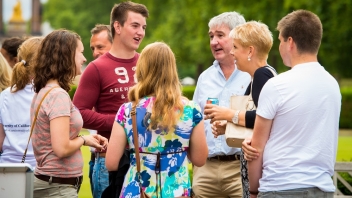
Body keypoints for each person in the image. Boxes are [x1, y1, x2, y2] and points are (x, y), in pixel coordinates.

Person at [246, 10, 341, 198]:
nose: (279, 46)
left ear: (290, 42)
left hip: (280, 186)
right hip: (322, 188)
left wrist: (254, 190)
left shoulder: (277, 85)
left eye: (280, 40)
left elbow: (256, 149)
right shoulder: (332, 85)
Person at [105, 41, 208, 197]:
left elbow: (111, 163)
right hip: (176, 191)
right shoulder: (190, 110)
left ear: (142, 69)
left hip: (138, 192)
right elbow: (200, 159)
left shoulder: (127, 111)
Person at [72, 2, 149, 197]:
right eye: (135, 25)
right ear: (117, 26)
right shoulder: (96, 68)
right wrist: (120, 122)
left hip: (146, 161)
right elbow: (77, 112)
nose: (140, 32)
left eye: (143, 27)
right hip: (109, 163)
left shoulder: (147, 63)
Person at [31, 29, 108, 197]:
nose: (84, 58)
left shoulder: (44, 91)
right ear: (67, 56)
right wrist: (83, 139)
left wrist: (86, 140)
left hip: (54, 184)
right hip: (58, 187)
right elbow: (62, 148)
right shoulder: (58, 95)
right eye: (80, 52)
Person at [204, 21, 276, 198]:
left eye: (235, 47)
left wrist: (229, 114)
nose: (232, 52)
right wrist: (228, 126)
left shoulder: (261, 75)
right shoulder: (262, 75)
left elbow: (264, 118)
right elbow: (255, 123)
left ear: (250, 51)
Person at [192, 12, 251, 198]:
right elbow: (194, 120)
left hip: (240, 168)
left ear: (237, 36)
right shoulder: (204, 78)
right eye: (211, 36)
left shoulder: (252, 75)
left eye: (220, 35)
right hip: (205, 170)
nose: (213, 42)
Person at [0, 37, 43, 168]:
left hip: (6, 166)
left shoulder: (5, 94)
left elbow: (1, 141)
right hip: (39, 169)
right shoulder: (48, 94)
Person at [87, 23, 113, 196]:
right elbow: (79, 112)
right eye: (92, 48)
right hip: (95, 159)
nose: (95, 52)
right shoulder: (93, 73)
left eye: (100, 47)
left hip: (108, 159)